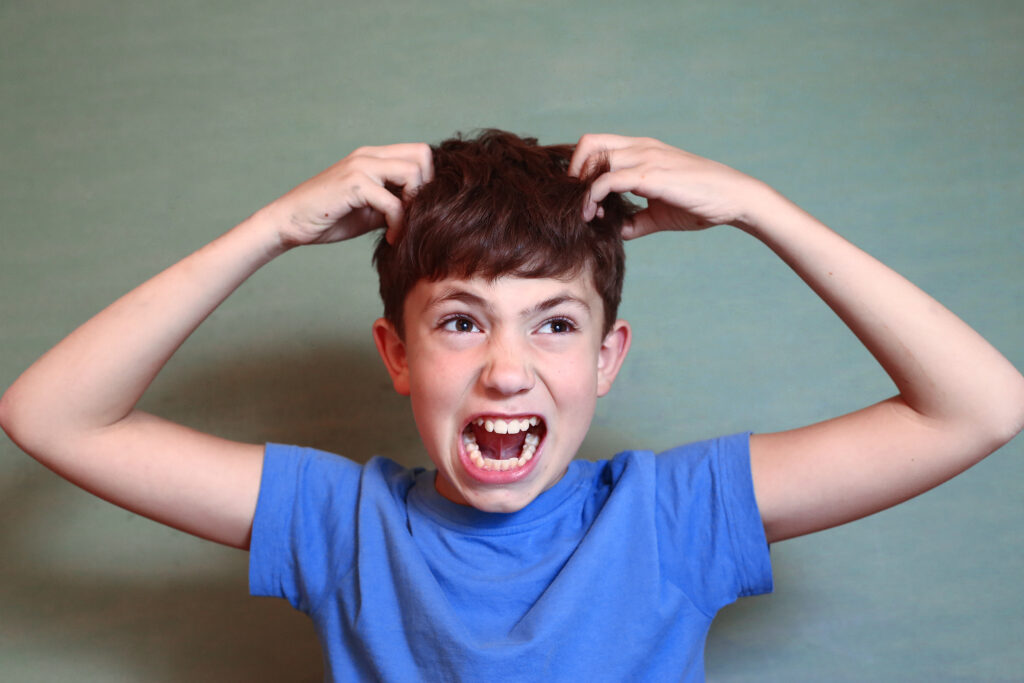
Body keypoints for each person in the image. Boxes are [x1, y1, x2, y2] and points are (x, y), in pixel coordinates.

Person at [1, 130, 1021, 681]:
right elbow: (51, 415)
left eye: (552, 323)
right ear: (395, 354)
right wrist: (268, 228)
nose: (504, 367)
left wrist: (758, 207)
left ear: (607, 356)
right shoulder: (340, 521)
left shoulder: (670, 517)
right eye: (459, 323)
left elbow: (978, 404)